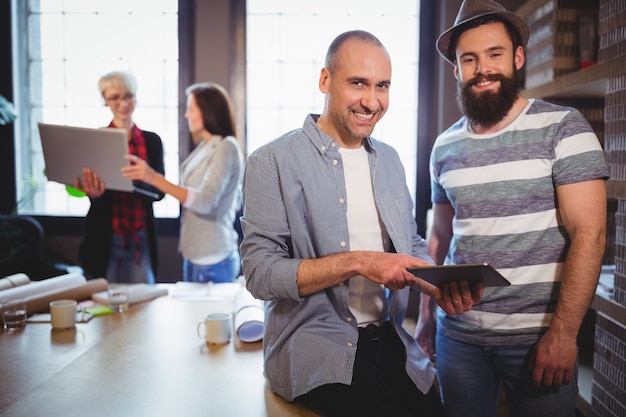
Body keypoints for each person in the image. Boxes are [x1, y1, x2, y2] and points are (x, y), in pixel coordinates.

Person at [240, 30, 483, 417]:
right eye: (358, 83)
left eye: (383, 86)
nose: (372, 101)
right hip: (313, 343)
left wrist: (438, 283)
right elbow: (259, 274)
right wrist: (358, 262)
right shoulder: (270, 161)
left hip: (387, 337)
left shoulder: (389, 159)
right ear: (325, 81)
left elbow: (410, 246)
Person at [415, 1, 609, 416]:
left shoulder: (564, 128)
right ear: (458, 70)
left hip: (539, 338)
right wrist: (426, 316)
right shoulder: (444, 146)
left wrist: (563, 335)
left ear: (518, 57)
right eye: (470, 59)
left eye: (494, 54)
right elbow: (441, 237)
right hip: (459, 337)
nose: (482, 68)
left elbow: (589, 235)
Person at [122, 82, 244, 283]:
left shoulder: (225, 147)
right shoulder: (205, 146)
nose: (186, 115)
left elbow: (205, 201)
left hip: (213, 258)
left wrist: (153, 178)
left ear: (207, 111)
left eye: (191, 109)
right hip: (194, 255)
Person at [75, 70, 165, 284]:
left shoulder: (151, 141)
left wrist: (138, 181)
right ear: (105, 101)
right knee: (107, 306)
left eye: (127, 96)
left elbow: (159, 192)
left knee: (144, 303)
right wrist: (94, 193)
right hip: (106, 236)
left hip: (140, 236)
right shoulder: (96, 139)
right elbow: (95, 194)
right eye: (114, 97)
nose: (122, 103)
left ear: (135, 98)